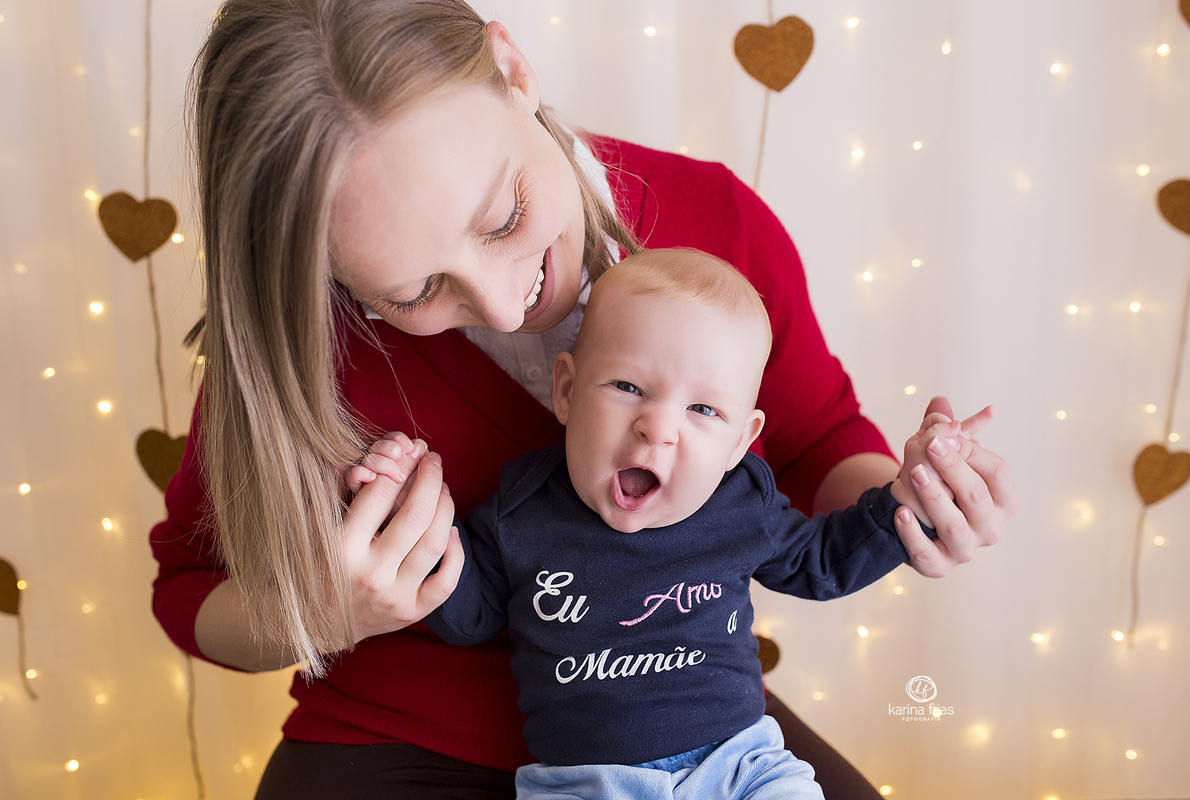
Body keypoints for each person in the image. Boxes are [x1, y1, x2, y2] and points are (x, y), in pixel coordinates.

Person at [150, 1, 1017, 797]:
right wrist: (326, 609)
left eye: (500, 217)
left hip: (686, 726)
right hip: (389, 746)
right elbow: (190, 595)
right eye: (411, 292)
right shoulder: (302, 338)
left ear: (514, 70)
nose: (500, 302)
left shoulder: (714, 218)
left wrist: (921, 498)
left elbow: (817, 444)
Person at [349, 248, 978, 800]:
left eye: (703, 409)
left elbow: (822, 562)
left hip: (741, 764)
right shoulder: (523, 509)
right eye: (627, 386)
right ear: (566, 391)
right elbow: (471, 611)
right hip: (586, 781)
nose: (659, 426)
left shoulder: (740, 503)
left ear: (740, 440)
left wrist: (911, 499)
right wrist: (412, 520)